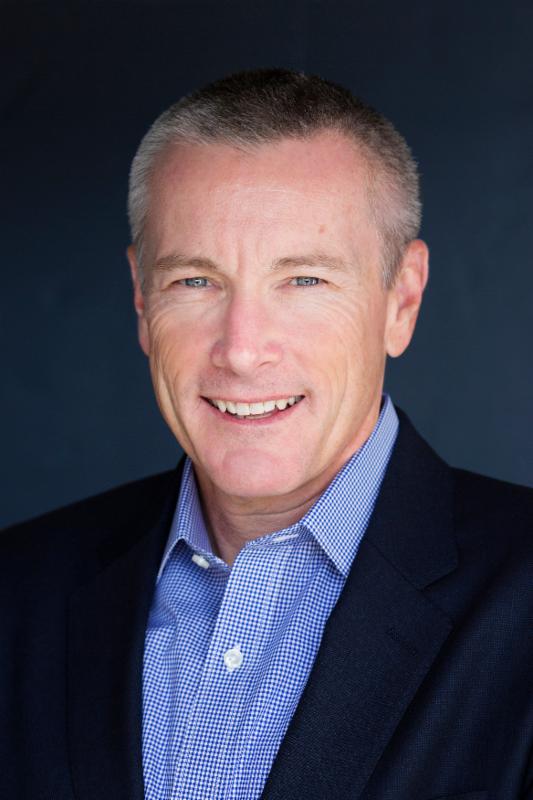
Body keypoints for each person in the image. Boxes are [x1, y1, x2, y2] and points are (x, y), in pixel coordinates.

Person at [1, 69, 532, 800]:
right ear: (141, 300)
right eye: (195, 281)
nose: (242, 350)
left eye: (304, 280)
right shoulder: (17, 592)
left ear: (401, 301)